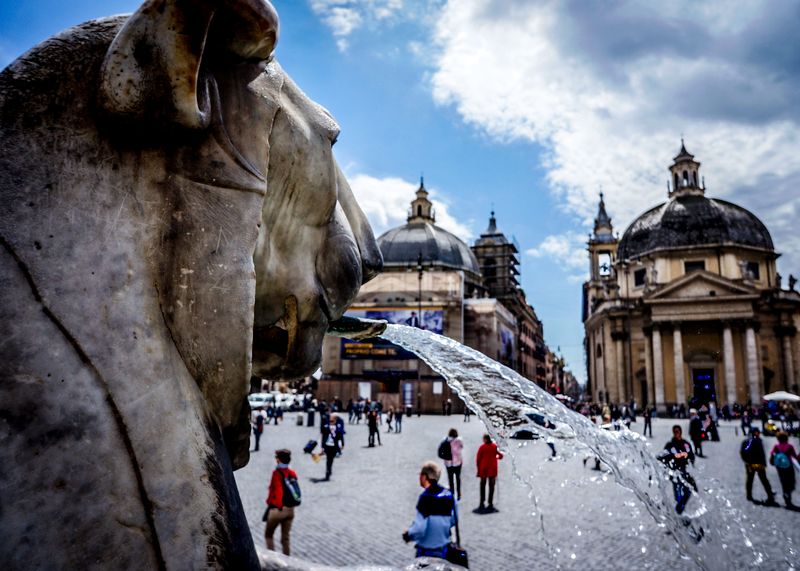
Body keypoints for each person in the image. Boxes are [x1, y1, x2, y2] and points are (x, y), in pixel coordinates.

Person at [402, 461, 456, 561]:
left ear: (425, 477)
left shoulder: (425, 498)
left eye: (421, 474)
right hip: (444, 549)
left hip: (427, 551)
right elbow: (453, 520)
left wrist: (408, 534)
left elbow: (420, 529)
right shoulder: (449, 495)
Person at [264, 449, 299, 556]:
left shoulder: (277, 473)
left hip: (278, 510)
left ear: (278, 460)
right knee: (285, 538)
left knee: (268, 535)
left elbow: (278, 491)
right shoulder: (292, 472)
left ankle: (273, 559)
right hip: (291, 510)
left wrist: (274, 504)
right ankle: (287, 560)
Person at [659, 425, 696, 514]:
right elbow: (663, 456)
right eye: (675, 431)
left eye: (678, 431)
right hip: (675, 473)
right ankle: (679, 511)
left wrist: (687, 458)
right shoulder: (670, 445)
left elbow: (691, 455)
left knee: (689, 491)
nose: (676, 433)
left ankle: (680, 508)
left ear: (681, 432)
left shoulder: (685, 444)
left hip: (684, 471)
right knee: (678, 493)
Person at [740, 427, 778, 505]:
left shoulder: (746, 441)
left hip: (750, 464)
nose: (759, 433)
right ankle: (770, 495)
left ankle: (749, 495)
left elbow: (743, 453)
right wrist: (764, 464)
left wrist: (746, 462)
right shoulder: (757, 441)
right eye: (757, 432)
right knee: (764, 480)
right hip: (758, 464)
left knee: (750, 480)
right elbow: (761, 454)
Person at [475, 434, 503, 513]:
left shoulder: (482, 447)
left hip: (484, 469)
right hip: (492, 469)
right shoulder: (494, 446)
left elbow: (478, 459)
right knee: (491, 487)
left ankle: (482, 501)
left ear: (485, 439)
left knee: (482, 486)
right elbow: (500, 455)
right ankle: (490, 502)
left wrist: (478, 468)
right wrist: (496, 458)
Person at [769, 431, 798, 509]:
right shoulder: (789, 446)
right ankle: (788, 495)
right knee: (791, 481)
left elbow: (772, 454)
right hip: (789, 467)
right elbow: (795, 456)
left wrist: (772, 462)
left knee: (783, 482)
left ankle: (785, 495)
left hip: (780, 468)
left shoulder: (776, 446)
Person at [321, 414, 345, 480]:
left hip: (334, 445)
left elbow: (341, 436)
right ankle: (328, 471)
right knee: (328, 459)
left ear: (335, 421)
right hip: (328, 445)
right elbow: (323, 437)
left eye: (332, 420)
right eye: (330, 421)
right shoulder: (326, 427)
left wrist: (342, 444)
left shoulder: (338, 427)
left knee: (331, 459)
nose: (331, 422)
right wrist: (322, 447)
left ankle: (329, 469)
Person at [444, 429, 464, 500]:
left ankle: (452, 493)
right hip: (458, 462)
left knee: (450, 479)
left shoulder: (446, 440)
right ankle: (459, 494)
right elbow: (461, 447)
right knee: (458, 478)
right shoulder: (459, 441)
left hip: (449, 463)